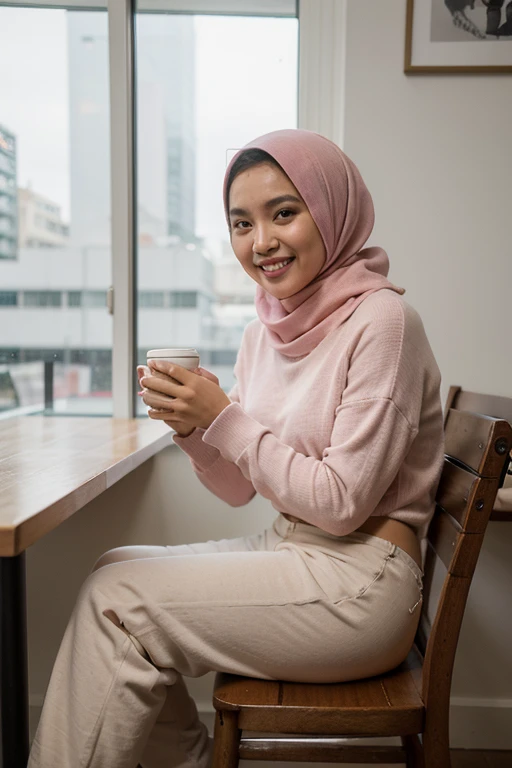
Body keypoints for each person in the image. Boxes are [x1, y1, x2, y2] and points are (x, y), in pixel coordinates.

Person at [28, 129, 444, 768]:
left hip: (366, 580)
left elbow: (340, 505)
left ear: (332, 210)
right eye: (241, 223)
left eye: (284, 212)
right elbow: (237, 488)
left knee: (118, 604)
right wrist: (196, 432)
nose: (262, 242)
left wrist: (224, 419)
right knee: (112, 568)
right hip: (295, 549)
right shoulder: (265, 329)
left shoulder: (384, 323)